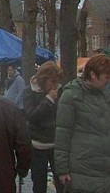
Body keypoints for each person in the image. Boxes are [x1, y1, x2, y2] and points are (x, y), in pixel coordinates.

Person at [54, 54, 110, 193]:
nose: (108, 81)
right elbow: (62, 134)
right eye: (106, 77)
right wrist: (62, 169)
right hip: (82, 170)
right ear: (93, 74)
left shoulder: (105, 96)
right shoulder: (71, 96)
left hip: (104, 171)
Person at [23, 61, 64, 193]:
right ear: (43, 79)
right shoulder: (29, 91)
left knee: (61, 182)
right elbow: (31, 116)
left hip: (56, 143)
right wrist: (48, 100)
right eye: (52, 82)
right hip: (37, 144)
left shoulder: (60, 90)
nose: (55, 86)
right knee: (39, 182)